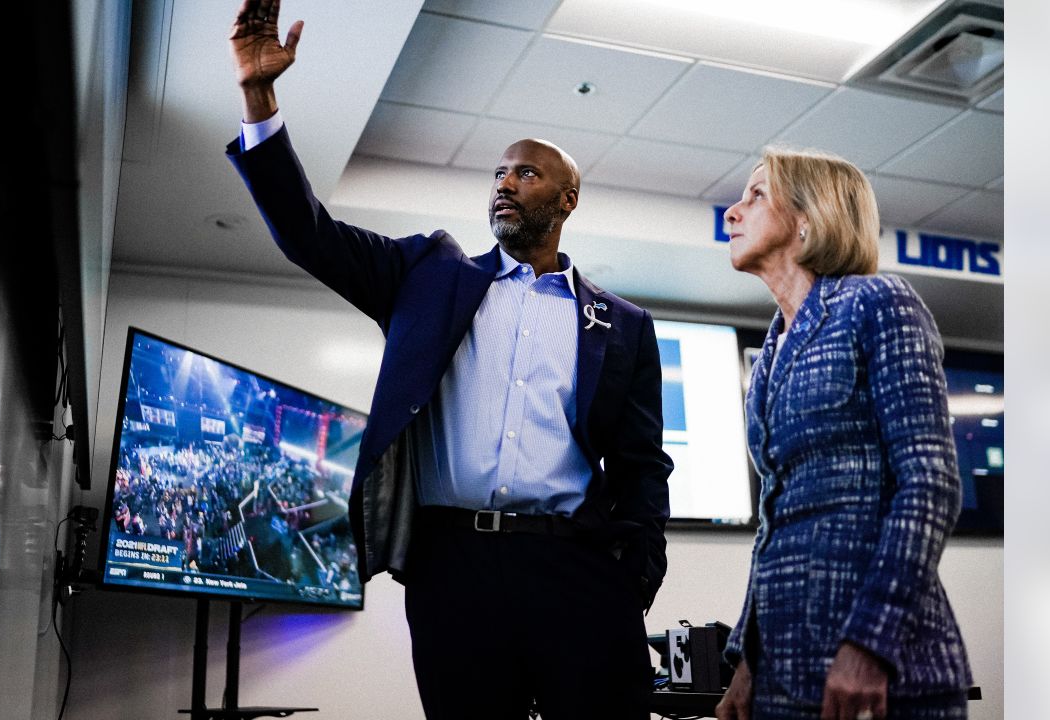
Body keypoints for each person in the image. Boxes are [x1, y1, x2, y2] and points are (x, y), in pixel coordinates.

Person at [223, 2, 672, 718]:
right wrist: (259, 97)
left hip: (577, 572)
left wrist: (634, 577)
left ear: (567, 198)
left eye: (525, 173)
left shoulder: (622, 325)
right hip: (453, 571)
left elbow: (643, 467)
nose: (503, 182)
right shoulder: (428, 276)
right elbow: (310, 234)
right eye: (497, 172)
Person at [712, 148, 972, 720]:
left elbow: (930, 484)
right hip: (784, 673)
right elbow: (775, 517)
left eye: (756, 195)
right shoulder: (773, 348)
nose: (732, 212)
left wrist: (868, 646)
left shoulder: (878, 304)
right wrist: (746, 662)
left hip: (881, 677)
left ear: (808, 217)